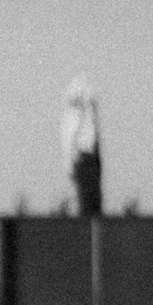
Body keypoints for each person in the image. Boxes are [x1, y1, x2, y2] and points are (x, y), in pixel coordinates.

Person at [62, 77, 104, 219]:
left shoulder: (86, 115)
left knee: (92, 205)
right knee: (85, 206)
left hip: (88, 160)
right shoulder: (74, 117)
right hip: (82, 160)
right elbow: (71, 141)